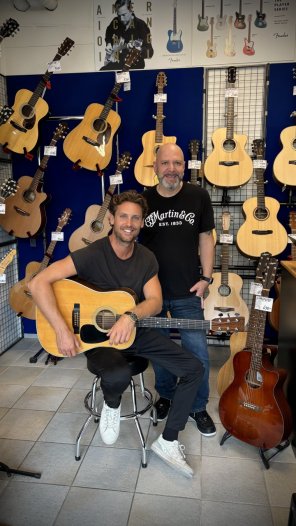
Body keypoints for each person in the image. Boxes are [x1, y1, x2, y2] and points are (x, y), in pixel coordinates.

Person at [28, 190, 204, 478]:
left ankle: (168, 441)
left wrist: (130, 316)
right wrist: (61, 329)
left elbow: (156, 301)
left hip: (135, 332)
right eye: (123, 216)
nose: (129, 223)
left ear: (142, 223)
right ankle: (111, 404)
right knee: (118, 374)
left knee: (194, 368)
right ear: (111, 219)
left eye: (136, 218)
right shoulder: (92, 254)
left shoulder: (146, 257)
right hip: (98, 340)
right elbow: (38, 283)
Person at [141, 143, 217, 437]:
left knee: (197, 353)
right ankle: (167, 397)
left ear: (184, 166)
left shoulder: (198, 195)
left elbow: (206, 239)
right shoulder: (144, 200)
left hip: (189, 290)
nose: (171, 169)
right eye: (166, 163)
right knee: (160, 352)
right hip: (153, 292)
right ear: (156, 166)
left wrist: (207, 279)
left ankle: (198, 406)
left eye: (177, 163)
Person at [100, 0, 153, 71]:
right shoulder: (115, 21)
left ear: (131, 10)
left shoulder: (141, 25)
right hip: (116, 66)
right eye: (119, 15)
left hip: (134, 68)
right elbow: (108, 32)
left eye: (124, 15)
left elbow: (150, 51)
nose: (121, 19)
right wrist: (109, 43)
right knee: (102, 72)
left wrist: (139, 50)